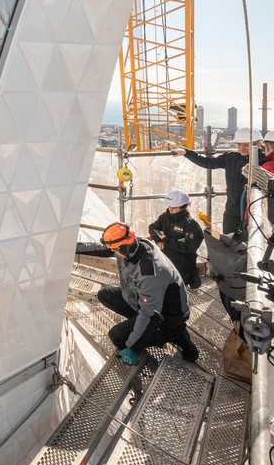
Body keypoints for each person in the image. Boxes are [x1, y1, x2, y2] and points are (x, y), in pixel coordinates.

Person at [76, 221, 199, 365]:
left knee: (117, 336)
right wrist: (72, 247)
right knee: (105, 295)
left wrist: (133, 348)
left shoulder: (149, 272)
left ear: (123, 249)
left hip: (166, 316)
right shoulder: (134, 244)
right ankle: (148, 329)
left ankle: (174, 336)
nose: (112, 252)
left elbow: (149, 315)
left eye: (114, 250)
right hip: (152, 303)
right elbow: (102, 248)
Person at [172, 127, 264, 235]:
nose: (241, 148)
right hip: (232, 211)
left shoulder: (265, 160)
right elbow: (208, 162)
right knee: (229, 240)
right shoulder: (230, 158)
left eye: (246, 145)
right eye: (239, 145)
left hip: (256, 211)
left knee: (255, 242)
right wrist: (186, 153)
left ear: (258, 145)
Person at [148, 189, 204, 288]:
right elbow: (152, 228)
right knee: (161, 281)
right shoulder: (164, 217)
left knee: (175, 286)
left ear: (183, 207)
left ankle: (192, 276)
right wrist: (158, 240)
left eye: (174, 207)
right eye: (169, 206)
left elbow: (190, 247)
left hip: (183, 261)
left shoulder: (191, 225)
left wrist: (166, 240)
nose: (170, 209)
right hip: (166, 257)